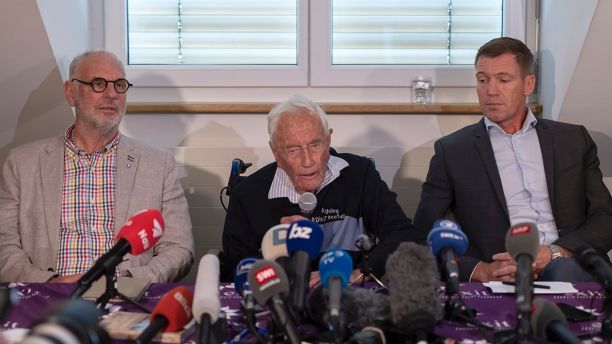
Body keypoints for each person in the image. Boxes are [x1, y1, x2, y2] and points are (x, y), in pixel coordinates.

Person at [414, 37, 612, 282]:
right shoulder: (453, 151)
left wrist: (555, 253)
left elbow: (605, 217)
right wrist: (480, 270)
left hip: (569, 262)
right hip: (501, 273)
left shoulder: (572, 140)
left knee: (564, 271)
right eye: (482, 80)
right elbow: (423, 233)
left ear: (528, 84)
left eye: (504, 80)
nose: (491, 91)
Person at [0, 51, 194, 283]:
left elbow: (179, 248)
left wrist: (129, 280)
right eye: (98, 84)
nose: (111, 94)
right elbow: (4, 247)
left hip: (125, 299)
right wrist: (51, 283)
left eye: (119, 85)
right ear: (70, 93)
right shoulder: (21, 164)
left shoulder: (159, 165)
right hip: (48, 299)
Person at [221, 94, 424, 282]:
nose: (308, 161)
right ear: (276, 153)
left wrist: (359, 272)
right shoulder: (248, 194)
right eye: (293, 150)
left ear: (328, 140)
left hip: (348, 295)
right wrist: (274, 249)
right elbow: (233, 269)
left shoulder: (360, 175)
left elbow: (403, 235)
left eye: (315, 145)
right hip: (281, 300)